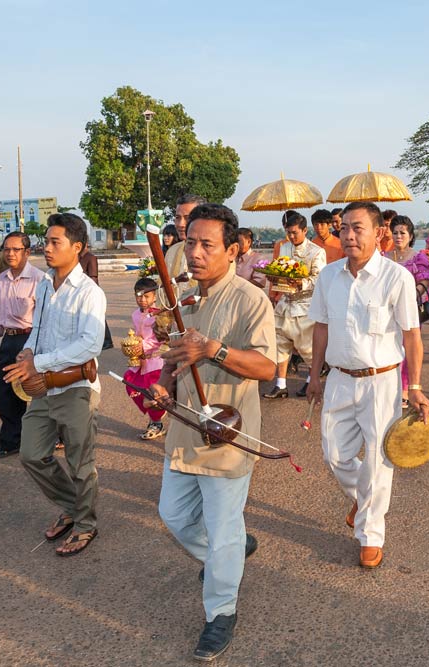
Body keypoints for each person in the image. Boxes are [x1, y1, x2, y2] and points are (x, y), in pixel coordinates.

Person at [148, 203, 276, 662]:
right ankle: (231, 555)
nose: (196, 252)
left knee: (221, 531)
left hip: (227, 431)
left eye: (207, 245)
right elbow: (175, 353)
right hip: (185, 430)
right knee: (174, 517)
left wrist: (215, 349)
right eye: (191, 243)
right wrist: (163, 384)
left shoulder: (250, 299)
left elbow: (266, 366)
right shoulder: (185, 299)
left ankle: (221, 610)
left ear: (233, 249)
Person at [307, 201, 429, 570]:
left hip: (382, 381)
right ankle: (364, 499)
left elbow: (412, 335)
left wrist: (417, 386)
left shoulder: (397, 278)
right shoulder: (328, 276)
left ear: (379, 233)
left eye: (357, 228)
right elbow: (320, 328)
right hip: (340, 379)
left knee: (378, 461)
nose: (347, 235)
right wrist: (314, 375)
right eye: (343, 227)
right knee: (335, 455)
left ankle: (370, 535)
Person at [3, 213, 107, 555]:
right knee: (32, 454)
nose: (46, 248)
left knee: (81, 462)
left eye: (54, 242)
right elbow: (38, 328)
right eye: (46, 241)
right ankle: (74, 507)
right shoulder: (46, 285)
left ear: (77, 247)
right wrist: (28, 352)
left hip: (76, 387)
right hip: (44, 387)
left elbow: (90, 345)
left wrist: (39, 363)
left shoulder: (90, 292)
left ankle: (86, 525)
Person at [0, 231, 45, 458]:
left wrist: (33, 349)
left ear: (27, 252)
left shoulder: (40, 279)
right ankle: (11, 442)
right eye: (6, 249)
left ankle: (49, 438)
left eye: (16, 249)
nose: (10, 253)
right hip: (9, 342)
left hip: (31, 340)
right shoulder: (0, 281)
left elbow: (42, 320)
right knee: (6, 393)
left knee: (37, 391)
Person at [263, 210, 326, 399]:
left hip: (305, 305)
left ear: (305, 230)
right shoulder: (284, 248)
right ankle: (280, 384)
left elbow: (319, 278)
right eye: (288, 232)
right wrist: (273, 276)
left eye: (294, 232)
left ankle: (311, 380)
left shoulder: (317, 251)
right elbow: (280, 268)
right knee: (279, 343)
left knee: (306, 347)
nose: (291, 236)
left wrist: (300, 283)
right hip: (285, 303)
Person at [386, 215, 429, 405]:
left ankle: (405, 389)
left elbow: (425, 281)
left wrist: (408, 297)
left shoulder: (418, 257)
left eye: (402, 233)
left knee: (408, 348)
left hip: (409, 310)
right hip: (386, 312)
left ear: (410, 236)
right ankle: (389, 388)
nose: (398, 236)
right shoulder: (383, 257)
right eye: (395, 233)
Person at [124, 277, 167, 440]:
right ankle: (156, 418)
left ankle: (156, 423)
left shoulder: (160, 314)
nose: (142, 300)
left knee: (154, 392)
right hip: (139, 360)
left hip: (156, 360)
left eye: (146, 296)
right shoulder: (135, 314)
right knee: (131, 385)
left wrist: (142, 346)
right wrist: (132, 344)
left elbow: (160, 338)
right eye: (138, 296)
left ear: (155, 296)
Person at [164, 193, 207, 303]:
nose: (181, 224)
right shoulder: (172, 251)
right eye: (178, 218)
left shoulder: (216, 252)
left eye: (187, 218)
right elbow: (164, 287)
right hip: (176, 317)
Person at [79, 246, 113, 350]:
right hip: (81, 289)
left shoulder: (91, 257)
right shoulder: (77, 257)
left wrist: (93, 292)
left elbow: (94, 276)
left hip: (90, 289)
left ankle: (107, 340)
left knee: (98, 317)